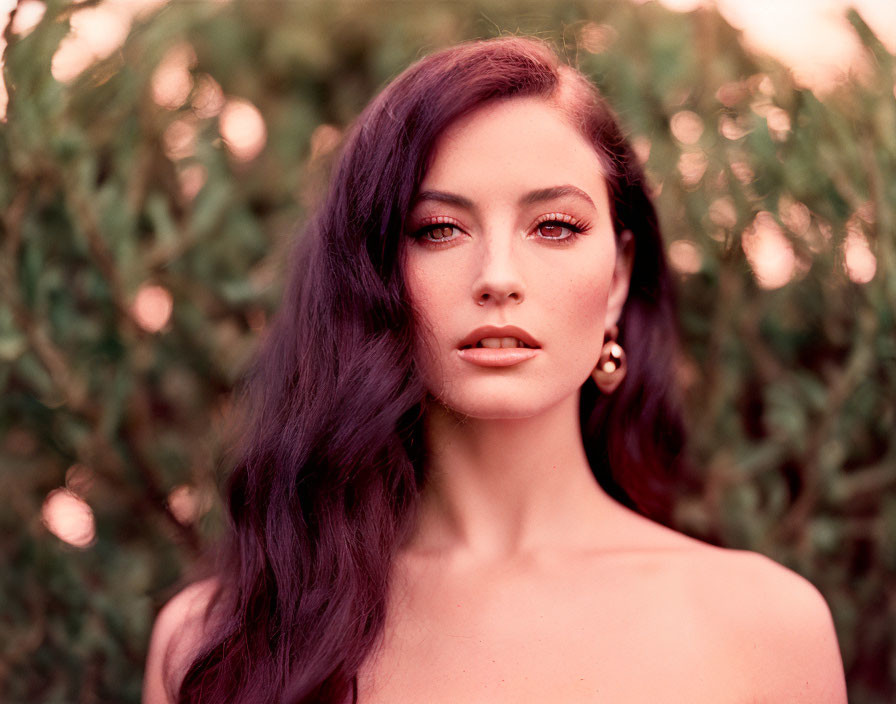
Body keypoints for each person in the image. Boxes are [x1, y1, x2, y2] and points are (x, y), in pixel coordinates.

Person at [143, 36, 848, 703]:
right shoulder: (218, 641)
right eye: (438, 230)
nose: (498, 278)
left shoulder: (766, 629)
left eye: (555, 227)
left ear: (618, 279)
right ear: (372, 278)